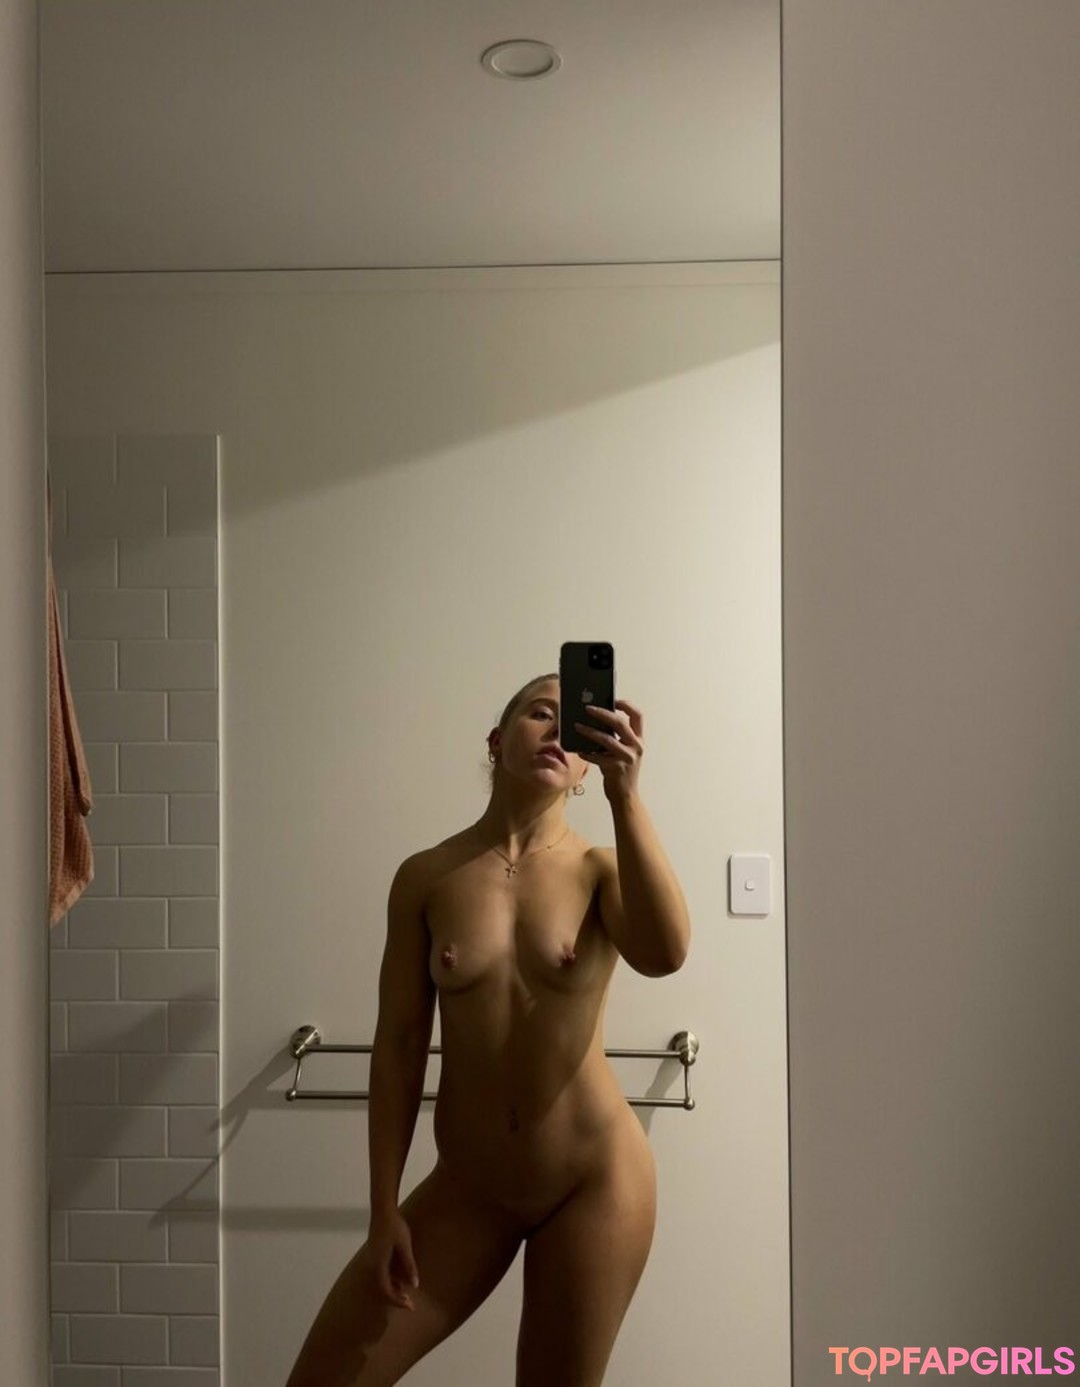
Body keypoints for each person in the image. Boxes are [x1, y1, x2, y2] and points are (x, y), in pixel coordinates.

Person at [285, 672, 691, 1387]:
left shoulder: (599, 870)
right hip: (470, 1185)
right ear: (498, 741)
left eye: (577, 727)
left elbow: (666, 954)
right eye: (540, 713)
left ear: (587, 768)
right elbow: (400, 1045)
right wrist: (383, 1210)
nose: (557, 731)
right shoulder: (427, 877)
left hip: (594, 1179)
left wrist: (627, 795)